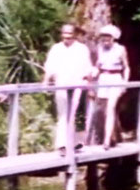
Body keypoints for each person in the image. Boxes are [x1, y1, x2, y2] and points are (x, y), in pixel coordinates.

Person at [42, 23, 93, 155]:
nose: (67, 38)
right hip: (62, 85)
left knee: (78, 115)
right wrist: (46, 81)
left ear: (74, 35)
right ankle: (62, 145)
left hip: (77, 85)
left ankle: (76, 142)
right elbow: (50, 67)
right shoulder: (56, 49)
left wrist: (90, 86)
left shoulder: (82, 49)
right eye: (64, 35)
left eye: (69, 35)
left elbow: (87, 69)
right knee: (63, 114)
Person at [94, 24, 130, 149]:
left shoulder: (120, 49)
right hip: (104, 78)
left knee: (111, 108)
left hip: (115, 79)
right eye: (103, 37)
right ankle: (114, 136)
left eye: (108, 37)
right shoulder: (100, 49)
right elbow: (98, 66)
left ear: (113, 38)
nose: (105, 40)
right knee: (104, 111)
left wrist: (125, 82)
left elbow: (126, 67)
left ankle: (106, 140)